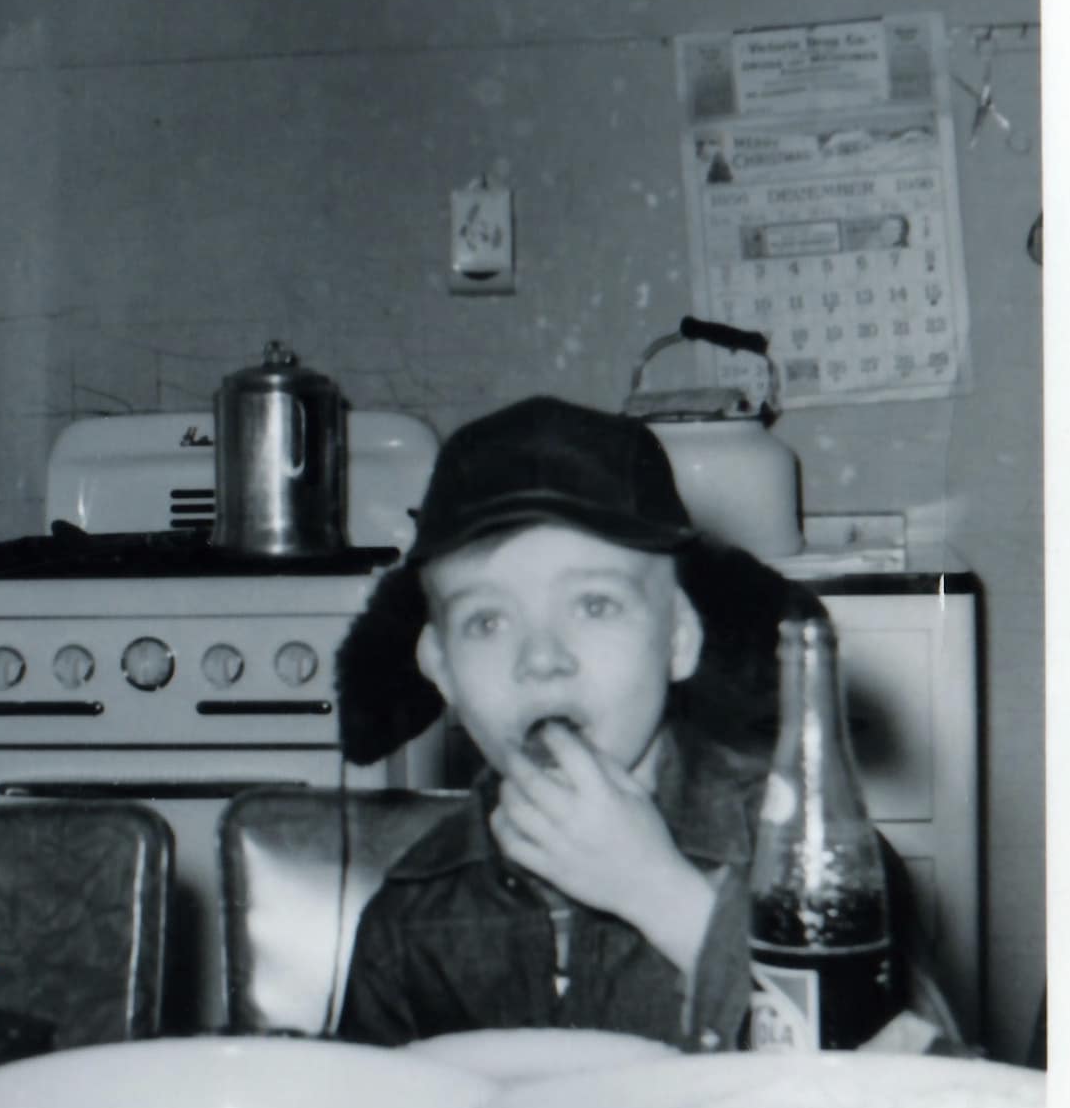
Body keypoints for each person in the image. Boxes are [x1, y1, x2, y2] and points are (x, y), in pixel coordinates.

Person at [334, 395, 954, 1052]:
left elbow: (921, 1089)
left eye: (594, 605)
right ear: (440, 665)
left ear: (679, 639)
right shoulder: (409, 916)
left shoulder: (814, 865)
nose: (541, 658)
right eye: (486, 621)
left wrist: (664, 897)